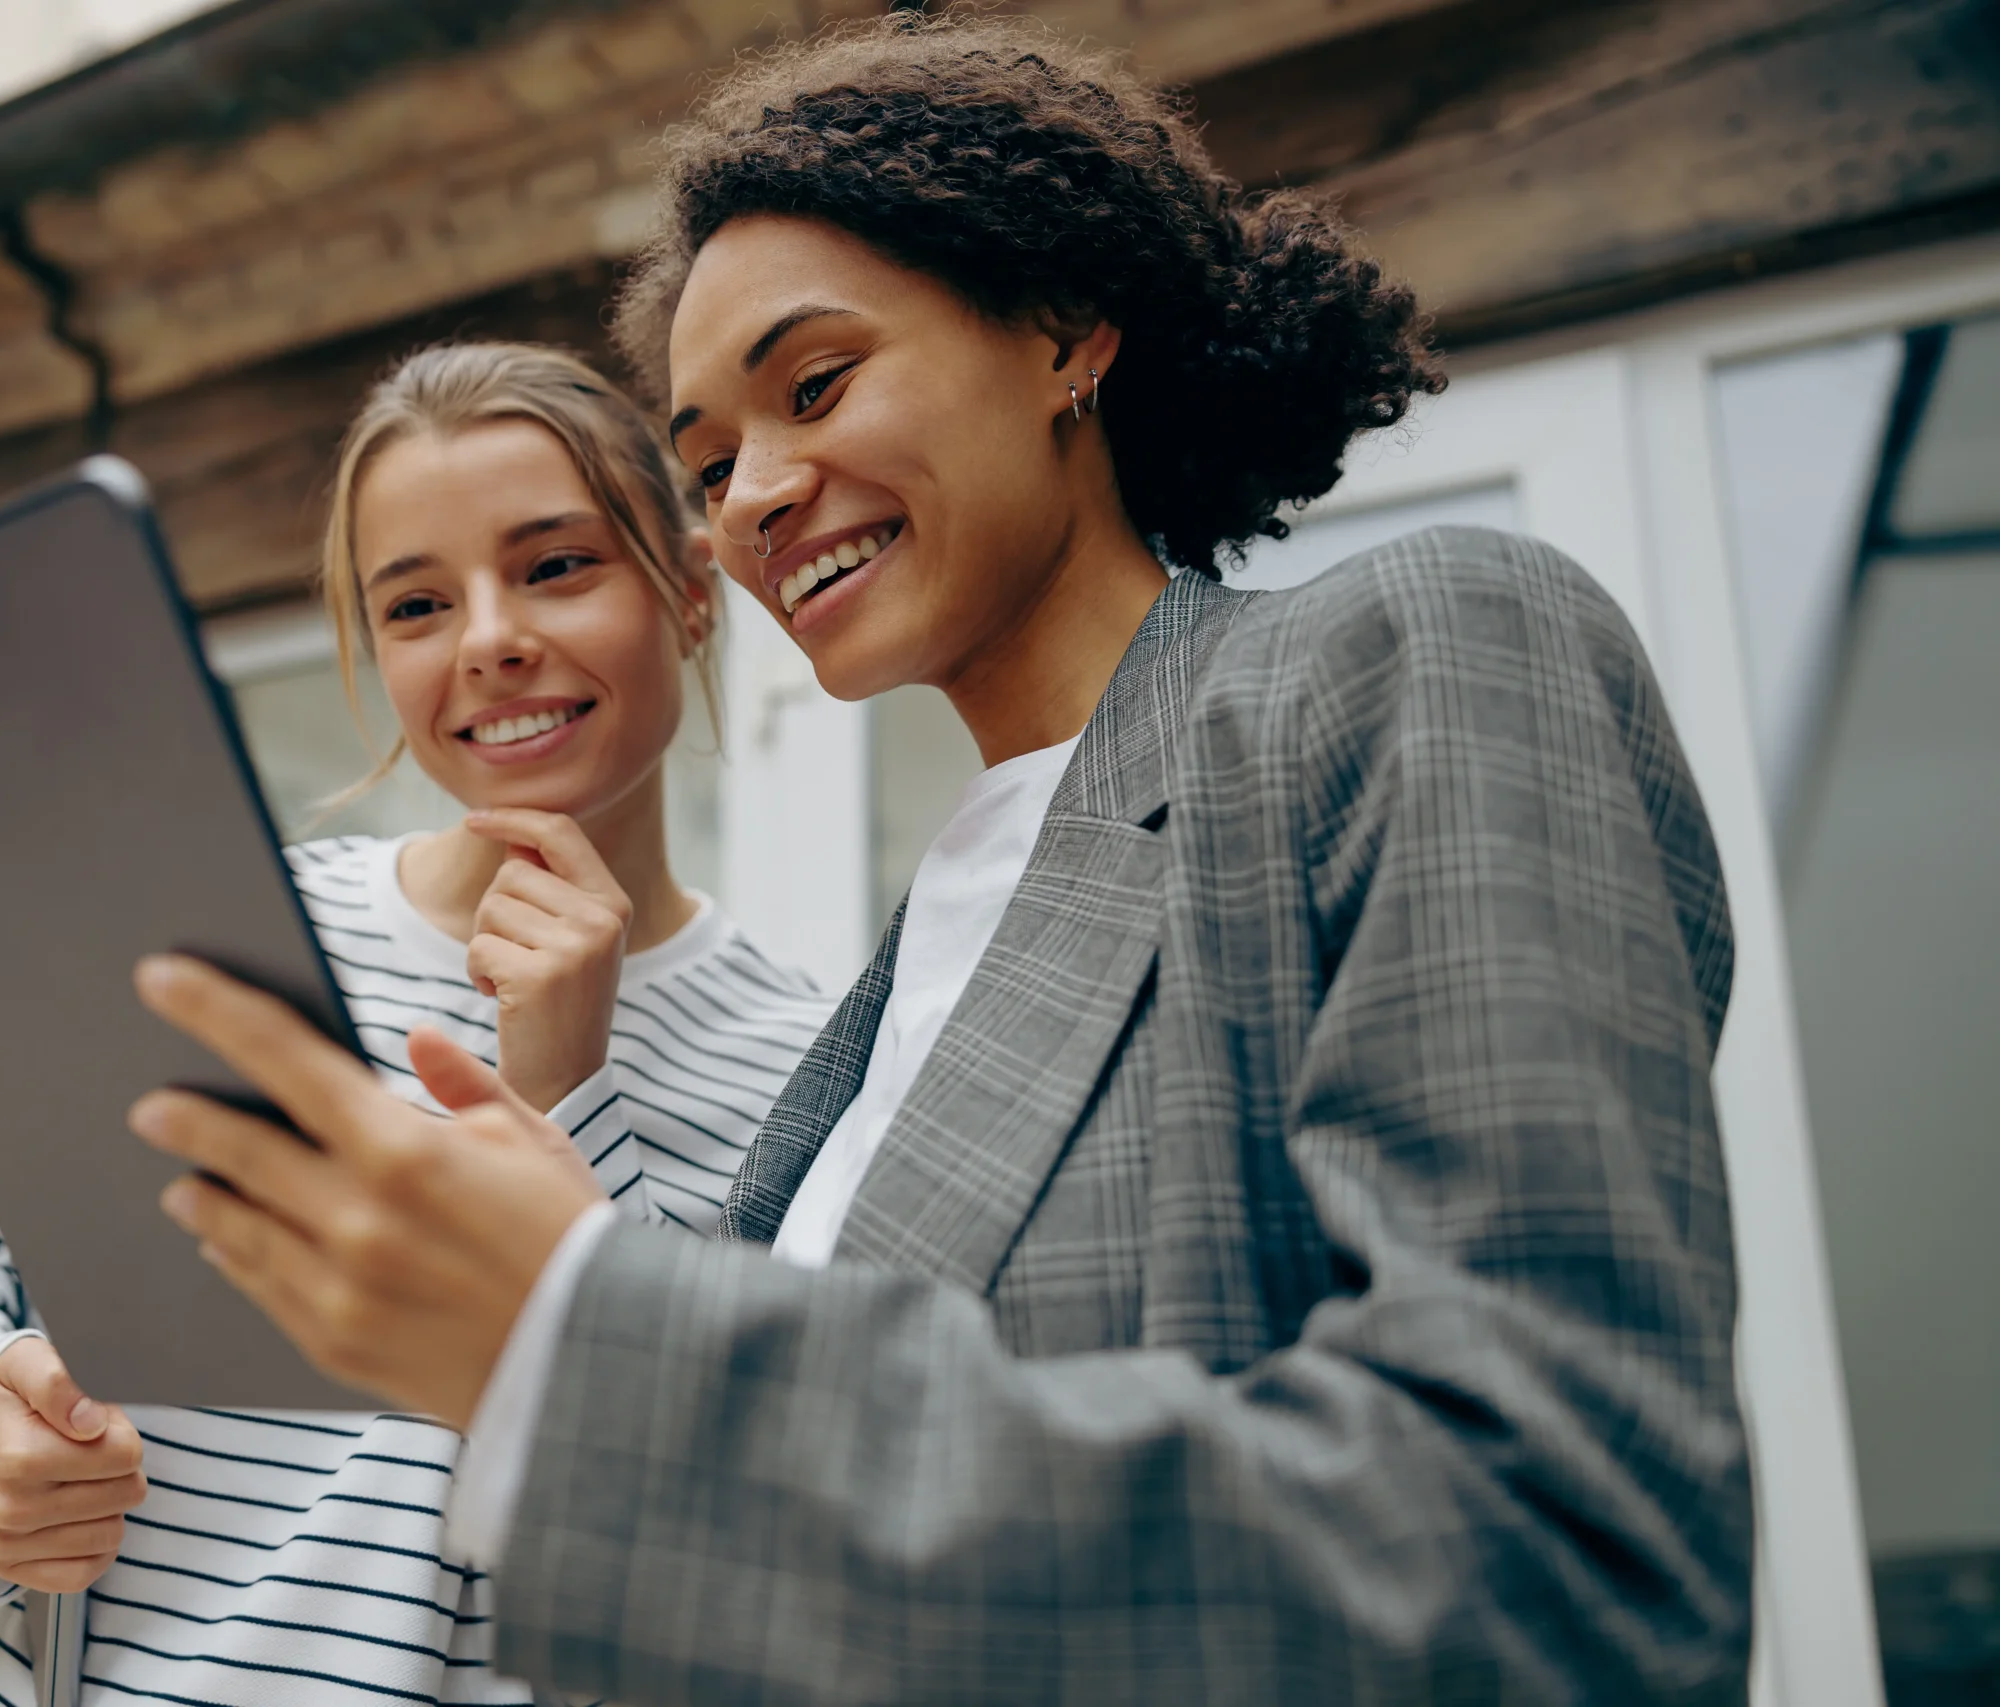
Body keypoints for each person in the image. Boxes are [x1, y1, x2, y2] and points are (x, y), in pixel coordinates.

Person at [125, 15, 1756, 1705]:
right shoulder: (901, 981)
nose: (753, 491)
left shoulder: (1408, 651)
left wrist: (579, 1335)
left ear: (1065, 330)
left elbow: (1566, 1558)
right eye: (704, 459)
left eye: (814, 384)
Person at [0, 342, 835, 1706]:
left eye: (555, 567)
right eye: (416, 603)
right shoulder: (201, 938)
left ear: (694, 597)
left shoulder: (814, 1060)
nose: (489, 638)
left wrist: (566, 1101)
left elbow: (743, 1553)